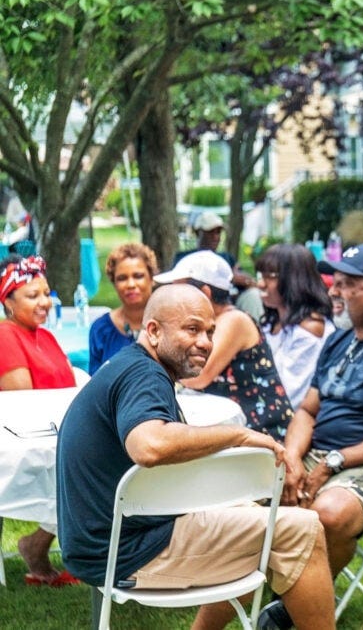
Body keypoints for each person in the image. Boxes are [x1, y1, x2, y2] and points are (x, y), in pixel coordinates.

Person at [56, 284, 335, 629]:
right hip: (124, 552)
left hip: (116, 539)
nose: (205, 341)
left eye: (210, 331)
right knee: (301, 529)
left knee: (256, 521)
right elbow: (149, 445)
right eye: (192, 329)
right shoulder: (144, 374)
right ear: (154, 331)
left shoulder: (134, 366)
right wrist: (240, 435)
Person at [260, 243, 363, 628]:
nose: (333, 290)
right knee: (242, 492)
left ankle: (292, 603)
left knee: (329, 514)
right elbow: (306, 410)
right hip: (318, 452)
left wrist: (334, 461)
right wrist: (292, 457)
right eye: (335, 281)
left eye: (348, 283)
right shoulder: (338, 341)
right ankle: (273, 591)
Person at [0, 254, 78, 586]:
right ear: (7, 300)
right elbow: (23, 402)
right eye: (33, 296)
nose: (44, 302)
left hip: (55, 433)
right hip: (22, 440)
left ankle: (40, 544)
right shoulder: (5, 336)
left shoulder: (44, 336)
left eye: (46, 293)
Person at [158, 251, 294, 442]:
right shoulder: (208, 325)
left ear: (204, 293)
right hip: (232, 429)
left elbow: (198, 375)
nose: (173, 301)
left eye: (179, 293)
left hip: (264, 436)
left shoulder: (234, 320)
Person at [256, 244, 334, 408]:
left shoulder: (309, 331)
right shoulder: (272, 322)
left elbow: (290, 396)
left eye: (269, 276)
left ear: (293, 280)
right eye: (260, 275)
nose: (261, 284)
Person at [174, 210, 263, 320]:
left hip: (229, 304)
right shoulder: (184, 258)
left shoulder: (227, 258)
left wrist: (240, 279)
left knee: (253, 295)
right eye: (210, 232)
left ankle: (257, 333)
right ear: (198, 232)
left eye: (218, 232)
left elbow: (247, 280)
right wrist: (230, 277)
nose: (215, 236)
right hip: (195, 306)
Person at [88, 242, 158, 374]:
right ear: (114, 283)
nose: (130, 284)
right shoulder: (101, 330)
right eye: (122, 278)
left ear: (151, 278)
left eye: (138, 276)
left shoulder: (168, 324)